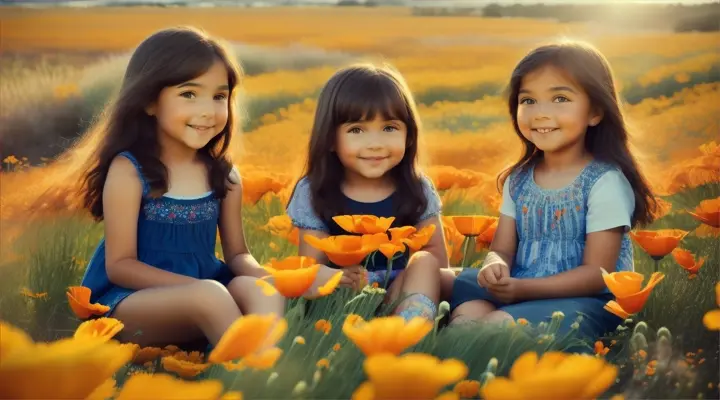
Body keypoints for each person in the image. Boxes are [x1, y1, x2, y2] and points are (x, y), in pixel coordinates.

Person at [76, 27, 285, 348]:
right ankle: (252, 373)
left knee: (264, 292)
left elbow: (238, 254)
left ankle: (262, 365)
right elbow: (120, 267)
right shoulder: (130, 170)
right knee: (210, 295)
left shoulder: (224, 175)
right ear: (149, 101)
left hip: (206, 293)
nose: (207, 110)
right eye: (189, 94)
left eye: (219, 96)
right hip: (130, 302)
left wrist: (276, 280)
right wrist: (196, 287)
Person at [449, 41, 659, 340]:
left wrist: (521, 290)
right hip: (521, 286)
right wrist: (495, 265)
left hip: (583, 301)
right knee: (463, 313)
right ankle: (458, 346)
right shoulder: (518, 179)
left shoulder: (604, 182)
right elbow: (502, 249)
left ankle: (488, 340)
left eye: (559, 98)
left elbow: (596, 275)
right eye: (528, 101)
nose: (540, 114)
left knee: (495, 327)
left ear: (595, 112)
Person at [286, 64, 456, 322]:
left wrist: (395, 282)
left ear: (409, 135)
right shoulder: (315, 191)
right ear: (330, 138)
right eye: (357, 130)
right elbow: (309, 268)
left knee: (424, 261)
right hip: (342, 304)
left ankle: (408, 334)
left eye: (389, 128)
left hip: (401, 297)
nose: (375, 144)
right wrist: (337, 277)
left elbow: (438, 264)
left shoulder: (417, 188)